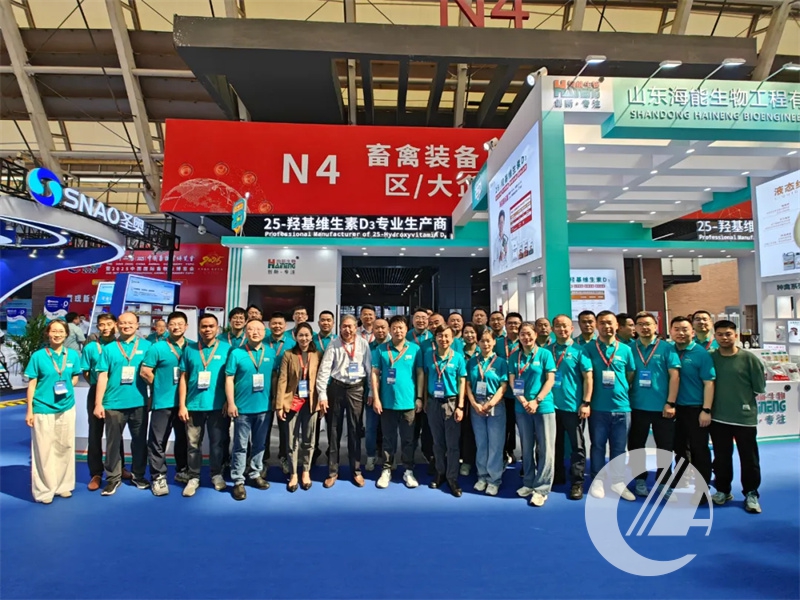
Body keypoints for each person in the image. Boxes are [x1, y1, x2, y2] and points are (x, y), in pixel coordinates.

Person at [709, 320, 766, 513]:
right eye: (720, 334)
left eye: (728, 334)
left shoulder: (749, 359)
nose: (724, 338)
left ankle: (751, 493)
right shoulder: (710, 358)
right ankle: (723, 490)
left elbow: (758, 387)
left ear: (736, 335)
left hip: (744, 418)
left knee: (749, 458)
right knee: (721, 457)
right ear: (715, 337)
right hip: (718, 417)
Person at [93, 312, 152, 496]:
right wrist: (98, 403)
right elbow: (102, 376)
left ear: (137, 325)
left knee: (139, 442)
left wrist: (153, 396)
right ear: (117, 325)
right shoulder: (109, 349)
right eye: (123, 323)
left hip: (139, 402)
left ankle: (138, 475)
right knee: (113, 443)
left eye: (130, 323)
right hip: (113, 403)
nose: (126, 326)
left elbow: (153, 374)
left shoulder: (147, 346)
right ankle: (113, 478)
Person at [24, 319, 81, 504]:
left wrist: (67, 388)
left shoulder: (72, 355)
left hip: (66, 407)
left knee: (65, 446)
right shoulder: (38, 356)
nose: (57, 334)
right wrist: (30, 411)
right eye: (53, 331)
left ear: (66, 334)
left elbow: (75, 377)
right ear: (48, 334)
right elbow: (32, 385)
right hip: (43, 408)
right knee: (44, 449)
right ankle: (45, 490)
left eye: (61, 331)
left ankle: (63, 485)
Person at [582, 311, 636, 501]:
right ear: (597, 326)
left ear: (617, 326)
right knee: (598, 445)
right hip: (598, 407)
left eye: (610, 323)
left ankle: (618, 481)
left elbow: (630, 374)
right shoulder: (588, 348)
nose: (606, 326)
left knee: (619, 447)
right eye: (602, 323)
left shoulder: (626, 349)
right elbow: (586, 376)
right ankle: (597, 479)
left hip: (622, 407)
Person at [628, 311, 681, 499]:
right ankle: (640, 480)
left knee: (664, 447)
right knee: (636, 446)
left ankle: (664, 482)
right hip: (636, 406)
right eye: (640, 324)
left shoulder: (667, 348)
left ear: (655, 326)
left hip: (662, 407)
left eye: (648, 324)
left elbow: (674, 376)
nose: (644, 327)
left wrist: (670, 402)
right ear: (635, 328)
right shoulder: (628, 348)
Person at [178, 314, 231, 497]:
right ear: (199, 328)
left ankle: (216, 474)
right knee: (193, 444)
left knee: (217, 444)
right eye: (204, 326)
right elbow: (183, 378)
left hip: (218, 406)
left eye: (211, 326)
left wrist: (228, 401)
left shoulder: (227, 349)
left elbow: (232, 378)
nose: (207, 329)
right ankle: (194, 477)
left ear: (218, 328)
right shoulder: (189, 349)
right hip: (194, 405)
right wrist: (182, 405)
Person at [316, 314, 371, 488]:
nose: (347, 329)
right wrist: (322, 395)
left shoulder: (363, 343)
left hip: (356, 389)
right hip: (337, 388)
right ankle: (332, 471)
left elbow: (369, 369)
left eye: (350, 326)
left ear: (356, 327)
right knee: (333, 430)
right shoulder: (333, 344)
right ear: (339, 328)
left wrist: (371, 391)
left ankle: (356, 470)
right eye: (344, 326)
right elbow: (324, 370)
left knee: (355, 430)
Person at [140, 311, 191, 496]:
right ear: (168, 326)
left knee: (184, 439)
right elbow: (145, 371)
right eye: (173, 324)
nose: (176, 327)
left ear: (186, 326)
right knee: (158, 441)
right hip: (163, 402)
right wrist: (159, 385)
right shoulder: (158, 347)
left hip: (186, 403)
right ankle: (158, 476)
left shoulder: (193, 347)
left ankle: (182, 470)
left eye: (180, 324)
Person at [371, 315, 423, 489]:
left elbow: (420, 373)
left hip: (408, 402)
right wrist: (376, 398)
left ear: (406, 329)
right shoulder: (381, 349)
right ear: (390, 330)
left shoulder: (415, 349)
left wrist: (419, 397)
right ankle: (386, 469)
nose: (398, 331)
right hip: (387, 402)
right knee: (388, 438)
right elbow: (374, 374)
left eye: (401, 327)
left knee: (408, 439)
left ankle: (408, 470)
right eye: (394, 328)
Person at [224, 318, 274, 500]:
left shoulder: (270, 352)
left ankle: (255, 473)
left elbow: (276, 376)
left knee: (260, 444)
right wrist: (231, 403)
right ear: (246, 332)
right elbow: (229, 379)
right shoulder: (237, 353)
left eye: (259, 329)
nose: (255, 332)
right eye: (251, 329)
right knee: (240, 446)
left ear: (264, 332)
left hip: (264, 407)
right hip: (242, 409)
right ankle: (238, 480)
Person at [509, 322, 557, 507]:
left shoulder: (545, 354)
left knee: (546, 448)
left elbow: (550, 380)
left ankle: (542, 488)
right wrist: (523, 401)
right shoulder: (514, 356)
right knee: (527, 447)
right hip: (522, 407)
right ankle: (528, 482)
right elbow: (513, 382)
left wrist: (536, 401)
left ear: (535, 335)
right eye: (522, 334)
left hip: (543, 406)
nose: (526, 337)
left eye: (529, 334)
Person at [669, 315, 716, 503]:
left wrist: (706, 410)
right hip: (674, 408)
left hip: (695, 408)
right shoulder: (668, 350)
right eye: (677, 329)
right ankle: (681, 476)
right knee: (679, 446)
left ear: (692, 331)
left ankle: (702, 488)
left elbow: (709, 383)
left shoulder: (701, 353)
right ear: (671, 331)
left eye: (685, 329)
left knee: (699, 449)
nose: (681, 333)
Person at [80, 312, 130, 490]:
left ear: (116, 325)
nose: (106, 328)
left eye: (109, 324)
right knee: (95, 433)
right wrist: (97, 388)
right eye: (102, 325)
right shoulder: (91, 348)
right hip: (97, 392)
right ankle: (96, 473)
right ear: (98, 327)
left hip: (117, 392)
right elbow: (86, 372)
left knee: (116, 433)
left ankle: (119, 467)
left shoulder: (121, 345)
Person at [548, 314, 593, 500]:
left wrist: (586, 402)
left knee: (577, 446)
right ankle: (556, 475)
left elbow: (588, 378)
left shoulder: (580, 351)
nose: (562, 329)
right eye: (558, 326)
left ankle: (577, 482)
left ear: (572, 328)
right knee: (554, 444)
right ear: (553, 329)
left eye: (565, 326)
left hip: (573, 407)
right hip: (550, 407)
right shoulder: (546, 351)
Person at [423, 325, 467, 497]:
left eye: (447, 336)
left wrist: (460, 406)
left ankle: (452, 477)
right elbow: (425, 377)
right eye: (440, 336)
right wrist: (425, 400)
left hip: (451, 402)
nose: (443, 339)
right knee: (437, 442)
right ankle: (440, 472)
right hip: (433, 402)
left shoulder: (458, 357)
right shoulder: (429, 355)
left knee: (452, 444)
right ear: (435, 338)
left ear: (452, 338)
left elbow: (462, 382)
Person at [276, 322, 321, 493]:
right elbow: (282, 380)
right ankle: (294, 473)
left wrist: (322, 401)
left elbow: (321, 379)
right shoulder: (289, 354)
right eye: (300, 335)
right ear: (295, 336)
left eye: (307, 335)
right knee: (291, 440)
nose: (304, 338)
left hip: (311, 402)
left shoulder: (317, 354)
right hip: (292, 401)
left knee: (309, 440)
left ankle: (306, 471)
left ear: (311, 336)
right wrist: (279, 405)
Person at [466, 329, 508, 496]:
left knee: (495, 444)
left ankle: (494, 479)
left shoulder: (501, 362)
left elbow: (503, 386)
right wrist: (474, 404)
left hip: (494, 405)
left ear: (494, 342)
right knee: (481, 443)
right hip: (476, 404)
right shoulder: (472, 362)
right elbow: (468, 385)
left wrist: (491, 403)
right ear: (478, 342)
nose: (485, 344)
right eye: (482, 341)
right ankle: (482, 476)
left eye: (488, 340)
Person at [265, 312, 296, 474]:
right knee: (264, 426)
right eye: (274, 323)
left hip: (285, 389)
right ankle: (263, 460)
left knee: (285, 427)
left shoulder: (292, 344)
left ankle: (284, 457)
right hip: (264, 387)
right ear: (269, 325)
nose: (277, 326)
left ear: (285, 326)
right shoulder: (262, 341)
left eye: (280, 324)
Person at [407, 308, 435, 471]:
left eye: (424, 318)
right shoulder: (407, 336)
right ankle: (409, 457)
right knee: (412, 424)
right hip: (412, 385)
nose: (421, 321)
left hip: (430, 386)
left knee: (429, 425)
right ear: (412, 320)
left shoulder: (433, 337)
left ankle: (428, 454)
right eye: (417, 317)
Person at [496, 312, 522, 465]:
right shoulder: (498, 343)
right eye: (510, 323)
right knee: (506, 424)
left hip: (522, 392)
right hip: (504, 392)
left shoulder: (525, 341)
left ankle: (527, 456)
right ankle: (507, 451)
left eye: (516, 323)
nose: (513, 326)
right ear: (505, 325)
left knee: (523, 426)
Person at [364, 318, 389, 471]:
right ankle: (370, 456)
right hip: (371, 393)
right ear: (372, 329)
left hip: (390, 393)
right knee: (371, 427)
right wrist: (371, 391)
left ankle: (388, 457)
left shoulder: (394, 346)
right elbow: (367, 372)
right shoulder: (367, 347)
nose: (380, 330)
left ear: (388, 329)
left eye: (383, 327)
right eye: (377, 328)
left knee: (388, 428)